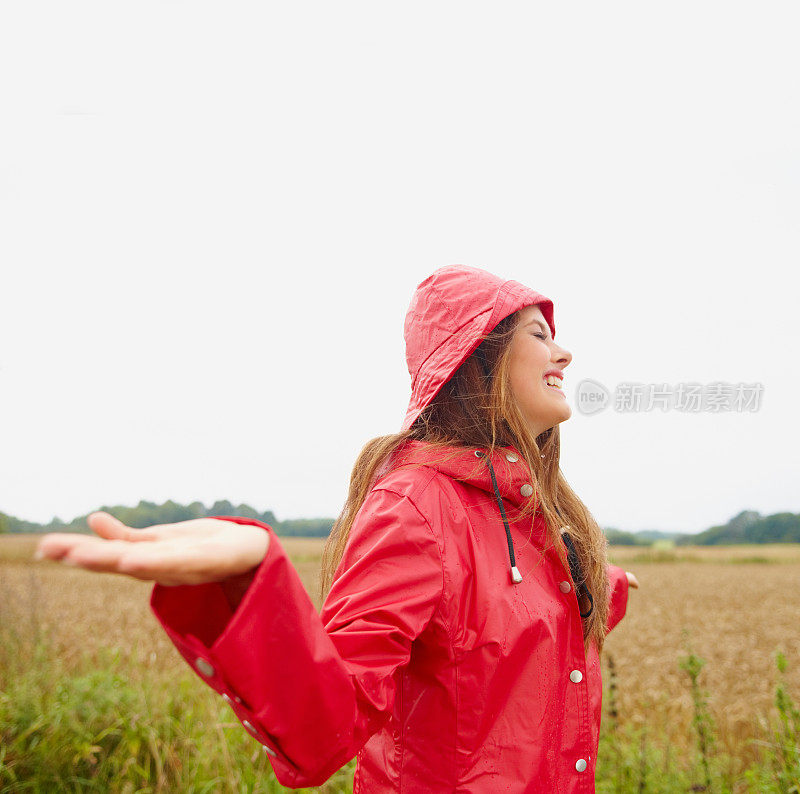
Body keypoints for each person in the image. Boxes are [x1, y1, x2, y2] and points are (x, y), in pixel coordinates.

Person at [35, 264, 639, 793]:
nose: (564, 354)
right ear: (478, 356)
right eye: (540, 335)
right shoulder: (416, 509)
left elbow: (501, 619)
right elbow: (330, 723)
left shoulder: (531, 514)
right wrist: (250, 584)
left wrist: (601, 583)